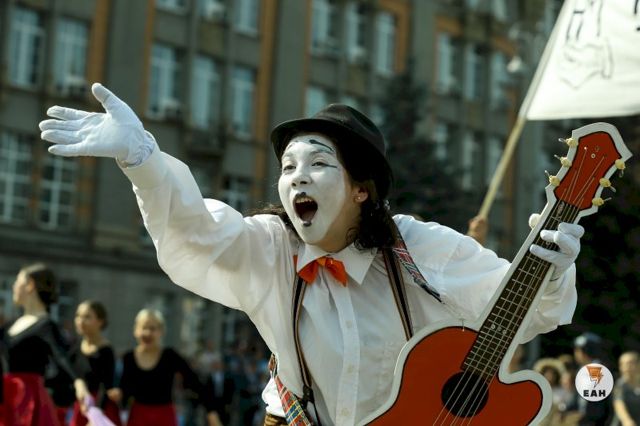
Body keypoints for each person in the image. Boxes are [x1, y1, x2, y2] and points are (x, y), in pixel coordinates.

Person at [39, 83, 583, 425]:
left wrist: (552, 269)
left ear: (361, 189)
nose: (298, 177)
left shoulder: (420, 248)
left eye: (318, 164)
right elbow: (195, 230)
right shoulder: (271, 248)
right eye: (288, 168)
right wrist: (142, 159)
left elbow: (522, 308)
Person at [0, 263, 90, 426]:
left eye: (17, 281)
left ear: (30, 285)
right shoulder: (9, 325)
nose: (13, 286)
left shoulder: (46, 325)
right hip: (6, 397)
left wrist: (79, 383)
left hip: (26, 399)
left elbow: (63, 356)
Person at [109, 308, 216, 426]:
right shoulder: (128, 358)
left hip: (164, 418)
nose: (148, 333)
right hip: (138, 418)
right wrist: (118, 393)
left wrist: (211, 413)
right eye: (144, 328)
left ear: (161, 331)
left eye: (152, 328)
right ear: (136, 331)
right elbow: (124, 389)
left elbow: (195, 383)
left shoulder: (170, 356)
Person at [69, 300, 122, 425]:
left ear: (100, 321)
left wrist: (96, 415)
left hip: (100, 407)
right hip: (81, 406)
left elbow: (106, 385)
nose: (81, 321)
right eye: (78, 316)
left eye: (87, 317)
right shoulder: (75, 348)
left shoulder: (106, 350)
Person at [573, 332, 613, 425]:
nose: (576, 353)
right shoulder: (581, 370)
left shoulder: (601, 370)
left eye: (578, 350)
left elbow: (601, 405)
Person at [612, 351, 640, 426]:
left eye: (630, 363)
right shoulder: (620, 385)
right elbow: (619, 405)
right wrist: (627, 421)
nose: (626, 367)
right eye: (622, 364)